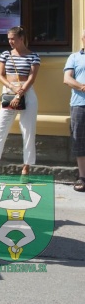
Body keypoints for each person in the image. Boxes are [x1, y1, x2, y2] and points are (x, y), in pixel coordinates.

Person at [0, 26, 40, 176]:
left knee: (28, 131)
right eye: (9, 39)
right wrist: (13, 89)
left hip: (27, 93)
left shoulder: (34, 56)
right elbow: (0, 75)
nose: (10, 42)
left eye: (13, 39)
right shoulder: (5, 55)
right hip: (9, 92)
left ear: (21, 38)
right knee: (0, 129)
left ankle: (26, 167)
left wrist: (20, 94)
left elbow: (31, 78)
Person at [63, 29, 85, 192]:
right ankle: (82, 177)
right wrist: (83, 87)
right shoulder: (74, 57)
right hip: (79, 104)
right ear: (82, 39)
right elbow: (67, 79)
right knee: (79, 140)